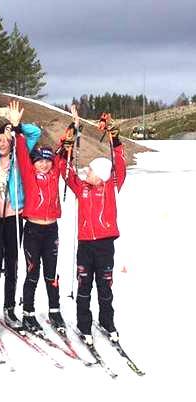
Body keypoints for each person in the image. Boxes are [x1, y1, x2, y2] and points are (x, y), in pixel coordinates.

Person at [0, 99, 41, 332]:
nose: (2, 143)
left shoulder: (19, 156)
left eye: (6, 140)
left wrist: (16, 126)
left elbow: (36, 133)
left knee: (12, 263)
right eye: (0, 140)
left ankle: (9, 307)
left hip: (13, 217)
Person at [63, 117, 126, 345]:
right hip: (85, 246)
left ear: (100, 175)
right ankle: (83, 325)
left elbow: (119, 164)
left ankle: (107, 322)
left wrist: (115, 138)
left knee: (105, 286)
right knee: (84, 286)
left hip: (105, 245)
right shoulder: (83, 188)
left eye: (90, 170)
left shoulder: (110, 187)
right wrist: (66, 149)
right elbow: (66, 173)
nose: (86, 171)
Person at [9, 100, 67, 334]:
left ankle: (55, 311)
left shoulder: (54, 175)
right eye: (39, 160)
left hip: (51, 230)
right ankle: (28, 313)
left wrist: (71, 133)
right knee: (32, 272)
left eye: (47, 160)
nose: (43, 164)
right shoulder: (28, 173)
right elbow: (22, 152)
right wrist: (16, 128)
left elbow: (64, 155)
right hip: (32, 230)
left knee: (51, 273)